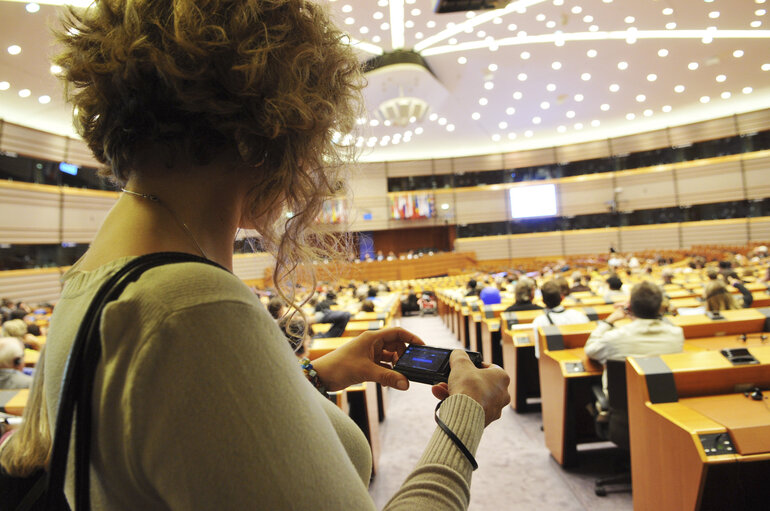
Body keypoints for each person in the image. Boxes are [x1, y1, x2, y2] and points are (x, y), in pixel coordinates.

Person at [38, 1, 510, 509]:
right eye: (313, 138)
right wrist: (466, 411)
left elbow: (196, 435)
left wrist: (313, 375)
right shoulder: (192, 307)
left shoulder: (96, 275)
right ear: (266, 130)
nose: (310, 164)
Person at [585, 281, 684, 395]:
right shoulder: (676, 334)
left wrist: (608, 322)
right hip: (663, 398)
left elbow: (590, 350)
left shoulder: (614, 337)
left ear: (630, 307)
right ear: (660, 307)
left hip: (623, 403)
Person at [531, 281, 590, 358]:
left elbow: (538, 354)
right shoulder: (579, 315)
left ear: (543, 301)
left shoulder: (539, 321)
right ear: (562, 298)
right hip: (582, 358)